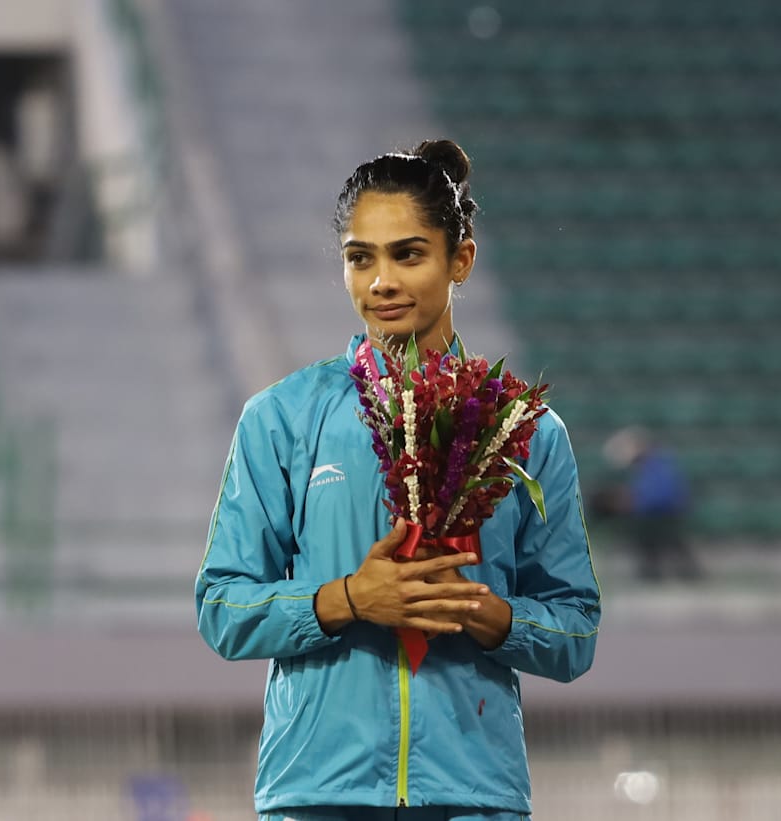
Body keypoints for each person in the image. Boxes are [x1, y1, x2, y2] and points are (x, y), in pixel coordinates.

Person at [194, 139, 601, 821]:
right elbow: (221, 607)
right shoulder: (283, 417)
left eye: (408, 254)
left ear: (460, 259)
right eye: (361, 258)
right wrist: (349, 598)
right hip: (319, 794)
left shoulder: (524, 428)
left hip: (474, 796)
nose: (381, 282)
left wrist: (486, 613)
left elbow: (576, 631)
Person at [600, 427, 700, 582]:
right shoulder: (649, 465)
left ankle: (678, 572)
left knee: (662, 538)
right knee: (656, 541)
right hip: (656, 513)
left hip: (665, 512)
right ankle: (658, 571)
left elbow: (662, 495)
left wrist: (634, 502)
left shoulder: (657, 464)